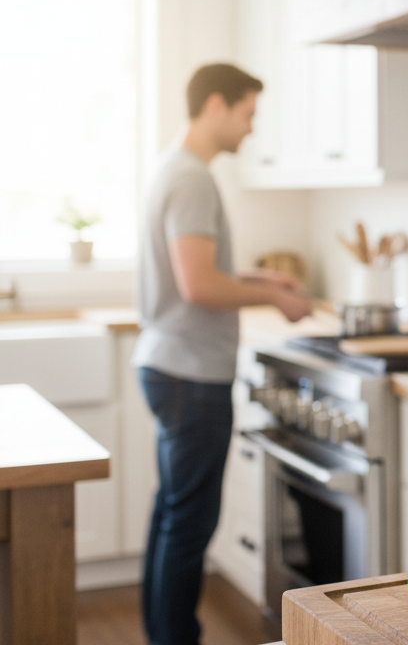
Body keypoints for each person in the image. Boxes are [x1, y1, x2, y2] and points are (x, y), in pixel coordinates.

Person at [132, 63, 312, 644]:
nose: (251, 128)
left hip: (169, 364)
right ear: (216, 105)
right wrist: (274, 299)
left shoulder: (173, 167)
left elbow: (199, 270)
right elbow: (198, 285)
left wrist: (259, 277)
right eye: (247, 114)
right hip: (189, 374)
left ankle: (163, 633)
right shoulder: (192, 179)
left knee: (173, 512)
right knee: (189, 522)